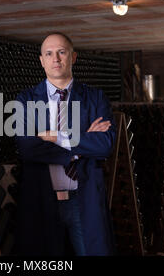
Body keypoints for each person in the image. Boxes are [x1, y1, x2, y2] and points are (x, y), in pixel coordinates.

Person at [14, 32, 116, 256]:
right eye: (49, 53)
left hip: (84, 200)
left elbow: (105, 144)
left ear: (73, 57)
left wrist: (55, 137)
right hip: (42, 201)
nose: (56, 59)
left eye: (62, 52)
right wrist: (78, 149)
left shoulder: (96, 98)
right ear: (41, 60)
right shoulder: (26, 100)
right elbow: (27, 147)